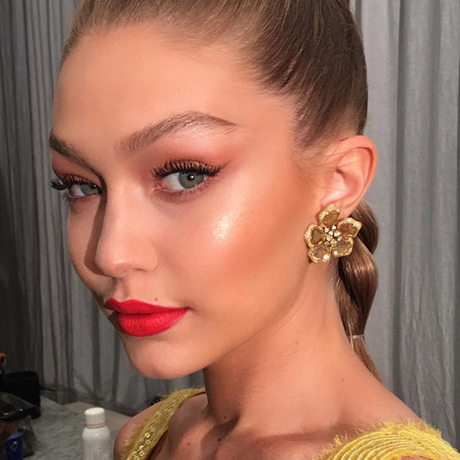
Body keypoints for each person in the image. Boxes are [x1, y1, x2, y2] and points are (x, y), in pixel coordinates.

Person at [48, 0, 460, 459]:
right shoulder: (147, 434)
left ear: (337, 182)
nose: (110, 254)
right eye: (81, 186)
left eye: (186, 175)